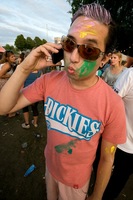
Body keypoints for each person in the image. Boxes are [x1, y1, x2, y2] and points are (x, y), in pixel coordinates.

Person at [0, 3, 126, 200]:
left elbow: (107, 157)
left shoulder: (112, 103)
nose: (73, 57)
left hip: (76, 183)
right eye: (69, 44)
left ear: (104, 59)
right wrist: (24, 68)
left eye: (89, 50)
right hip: (50, 168)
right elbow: (3, 107)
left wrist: (97, 195)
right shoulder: (48, 82)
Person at [102, 67, 133, 200]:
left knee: (118, 181)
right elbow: (111, 104)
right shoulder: (130, 74)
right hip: (122, 143)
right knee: (109, 177)